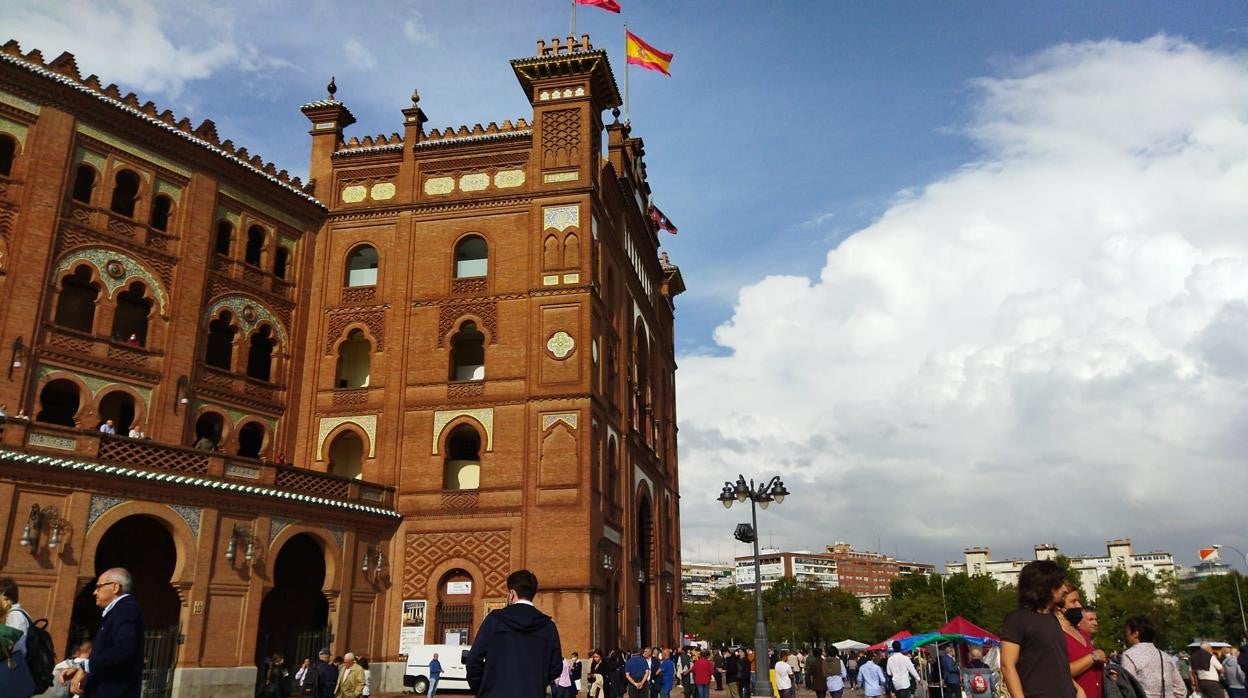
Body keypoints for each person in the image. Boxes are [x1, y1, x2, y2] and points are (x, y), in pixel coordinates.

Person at [465, 569, 562, 697]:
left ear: (511, 593)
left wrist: (483, 687)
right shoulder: (548, 626)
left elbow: (473, 660)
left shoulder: (495, 620)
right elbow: (556, 667)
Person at [59, 567, 145, 698]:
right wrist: (83, 668)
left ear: (115, 587)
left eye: (99, 586)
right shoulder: (117, 611)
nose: (94, 592)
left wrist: (86, 666)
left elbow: (124, 649)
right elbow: (107, 652)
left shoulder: (126, 609)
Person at [999, 559, 1077, 698]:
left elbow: (1057, 665)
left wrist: (1077, 690)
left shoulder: (1053, 619)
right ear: (1045, 586)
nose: (1065, 589)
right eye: (1059, 585)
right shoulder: (1017, 619)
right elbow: (1007, 665)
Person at [1119, 616, 1183, 698]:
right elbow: (1181, 690)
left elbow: (1129, 690)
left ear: (1135, 633)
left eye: (1127, 631)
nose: (1126, 634)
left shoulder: (1129, 655)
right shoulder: (1166, 657)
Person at [0, 577, 36, 698]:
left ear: (4, 596)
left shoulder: (15, 616)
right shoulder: (16, 614)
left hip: (10, 675)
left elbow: (14, 647)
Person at [1063, 604, 1105, 698]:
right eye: (1090, 619)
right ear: (1079, 622)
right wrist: (1094, 656)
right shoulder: (1066, 639)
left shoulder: (1089, 642)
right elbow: (1062, 671)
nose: (1095, 623)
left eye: (1095, 619)